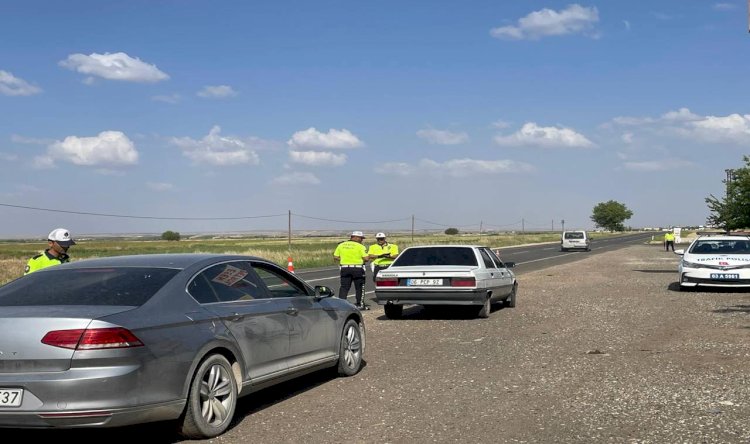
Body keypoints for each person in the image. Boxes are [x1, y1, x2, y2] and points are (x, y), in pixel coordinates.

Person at [333, 231, 370, 309]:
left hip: (344, 268)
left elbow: (336, 257)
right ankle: (360, 304)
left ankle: (341, 304)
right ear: (356, 237)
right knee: (359, 287)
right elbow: (366, 259)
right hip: (357, 268)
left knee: (344, 287)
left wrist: (344, 259)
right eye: (361, 238)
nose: (362, 240)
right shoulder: (360, 246)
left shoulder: (341, 245)